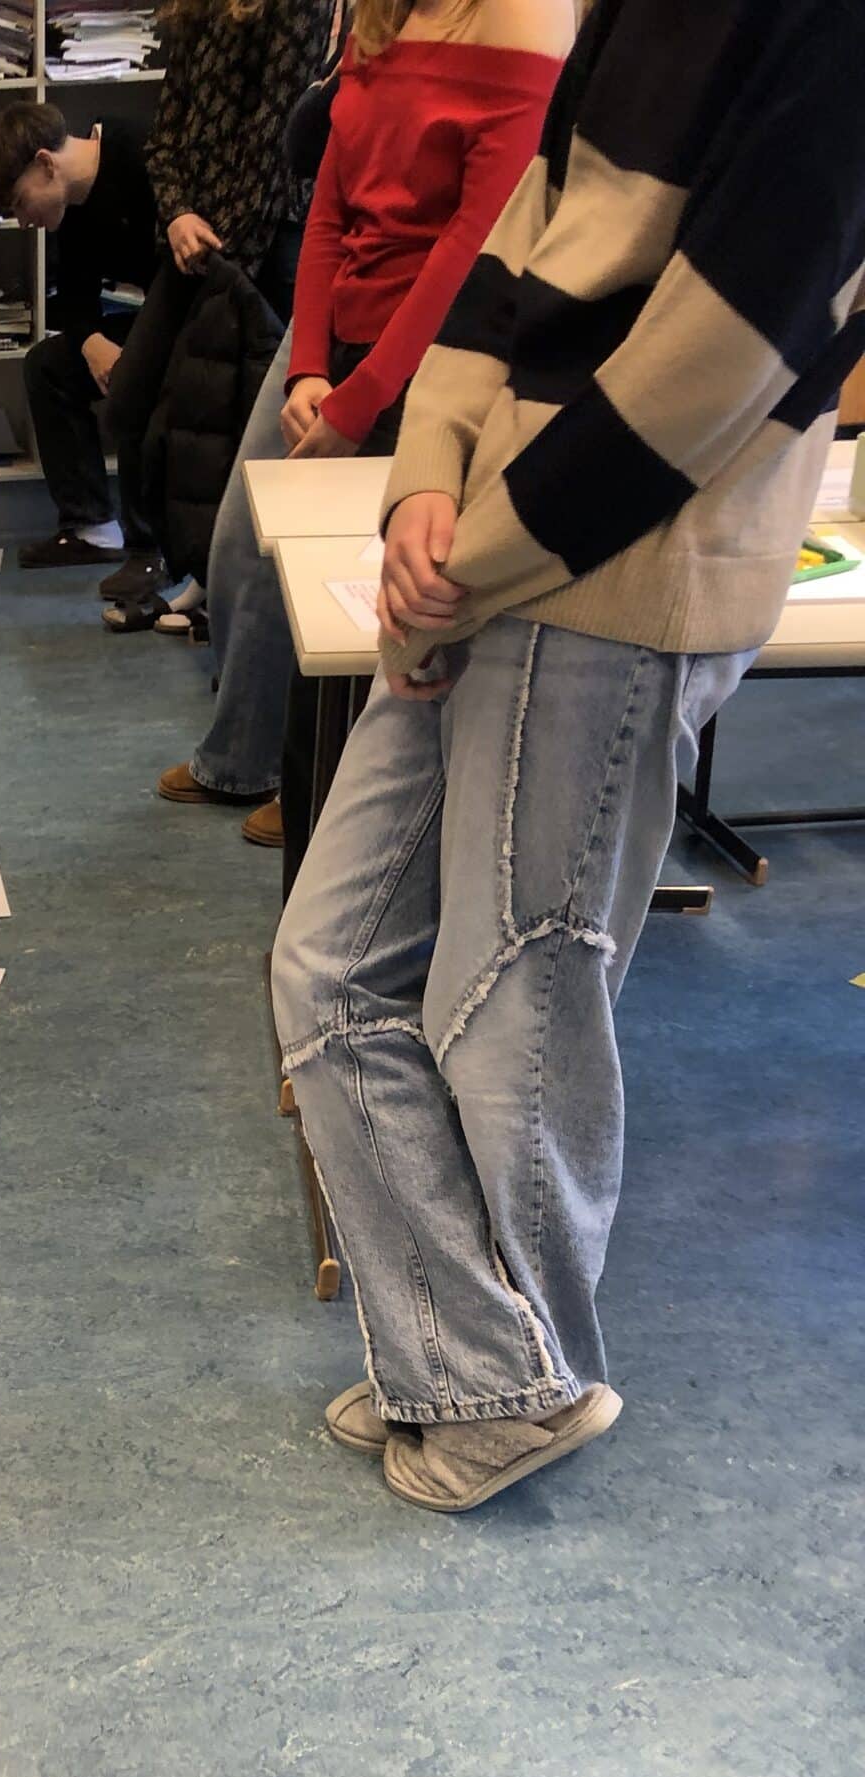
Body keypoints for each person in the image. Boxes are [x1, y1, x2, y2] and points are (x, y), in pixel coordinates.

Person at [270, 0, 865, 1511]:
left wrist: (470, 560)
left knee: (512, 999)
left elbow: (714, 366)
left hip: (612, 577)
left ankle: (507, 1387)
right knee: (332, 968)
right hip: (496, 551)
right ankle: (476, 1358)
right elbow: (514, 255)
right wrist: (424, 481)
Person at [157, 0, 566, 841]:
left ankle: (321, 795)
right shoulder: (380, 15)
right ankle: (247, 759)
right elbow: (331, 204)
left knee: (371, 595)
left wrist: (363, 396)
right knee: (244, 547)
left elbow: (472, 250)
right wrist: (308, 362)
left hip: (440, 351)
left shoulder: (526, 18)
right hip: (336, 328)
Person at [91, 0, 331, 598]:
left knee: (238, 425)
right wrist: (177, 214)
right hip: (193, 239)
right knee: (136, 401)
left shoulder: (297, 9)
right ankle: (178, 561)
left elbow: (278, 144)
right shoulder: (192, 11)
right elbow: (164, 135)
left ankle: (222, 581)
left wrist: (226, 261)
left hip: (264, 240)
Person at [0, 102, 160, 569]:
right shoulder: (71, 204)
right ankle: (92, 527)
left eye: (20, 203)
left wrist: (135, 348)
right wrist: (92, 342)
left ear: (45, 164)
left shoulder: (142, 155)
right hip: (151, 321)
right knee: (46, 366)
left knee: (137, 374)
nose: (23, 221)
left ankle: (149, 544)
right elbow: (75, 296)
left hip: (193, 314)